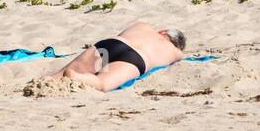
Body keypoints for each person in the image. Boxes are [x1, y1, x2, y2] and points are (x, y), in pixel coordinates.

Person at [50, 22, 186, 92]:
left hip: (113, 43)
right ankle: (75, 77)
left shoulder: (143, 26)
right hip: (135, 58)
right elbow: (181, 56)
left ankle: (50, 79)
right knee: (101, 83)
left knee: (58, 76)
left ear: (163, 32)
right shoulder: (175, 52)